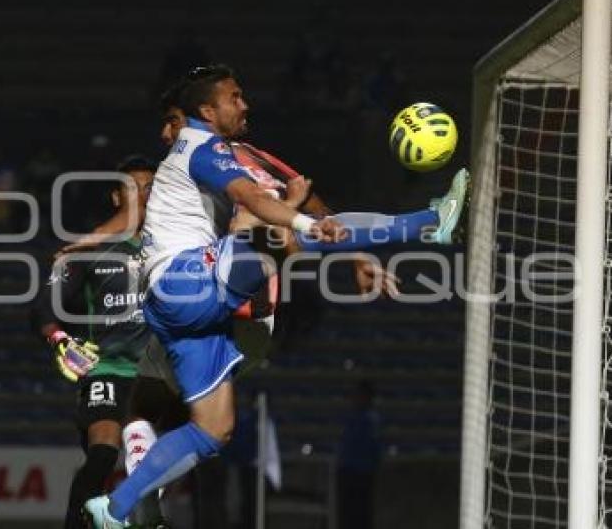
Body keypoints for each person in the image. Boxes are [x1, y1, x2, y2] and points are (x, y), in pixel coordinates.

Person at [85, 64, 469, 527]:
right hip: (189, 285)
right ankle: (429, 223)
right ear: (207, 110)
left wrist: (325, 235)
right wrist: (305, 222)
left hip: (193, 308)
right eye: (235, 96)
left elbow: (276, 202)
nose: (244, 104)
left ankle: (116, 508)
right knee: (271, 234)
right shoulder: (202, 148)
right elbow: (268, 205)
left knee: (213, 429)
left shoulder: (221, 153)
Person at [33, 156, 171, 529]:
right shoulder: (92, 248)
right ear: (116, 198)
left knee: (154, 468)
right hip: (107, 368)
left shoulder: (173, 247)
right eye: (134, 186)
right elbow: (46, 306)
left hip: (155, 376)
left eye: (151, 186)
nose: (144, 193)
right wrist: (61, 341)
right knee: (103, 454)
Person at [337, 381, 382, 529]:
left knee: (361, 515)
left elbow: (373, 448)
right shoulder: (350, 419)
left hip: (363, 474)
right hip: (348, 472)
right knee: (347, 515)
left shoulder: (371, 419)